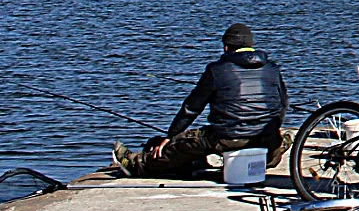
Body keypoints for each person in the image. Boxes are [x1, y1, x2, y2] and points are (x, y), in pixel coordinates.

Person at [112, 23, 287, 178]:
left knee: (183, 143)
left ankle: (136, 165)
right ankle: (273, 151)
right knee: (276, 142)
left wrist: (171, 135)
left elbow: (192, 107)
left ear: (226, 48)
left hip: (227, 136)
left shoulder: (216, 70)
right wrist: (274, 127)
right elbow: (283, 102)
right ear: (251, 45)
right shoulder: (272, 68)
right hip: (266, 136)